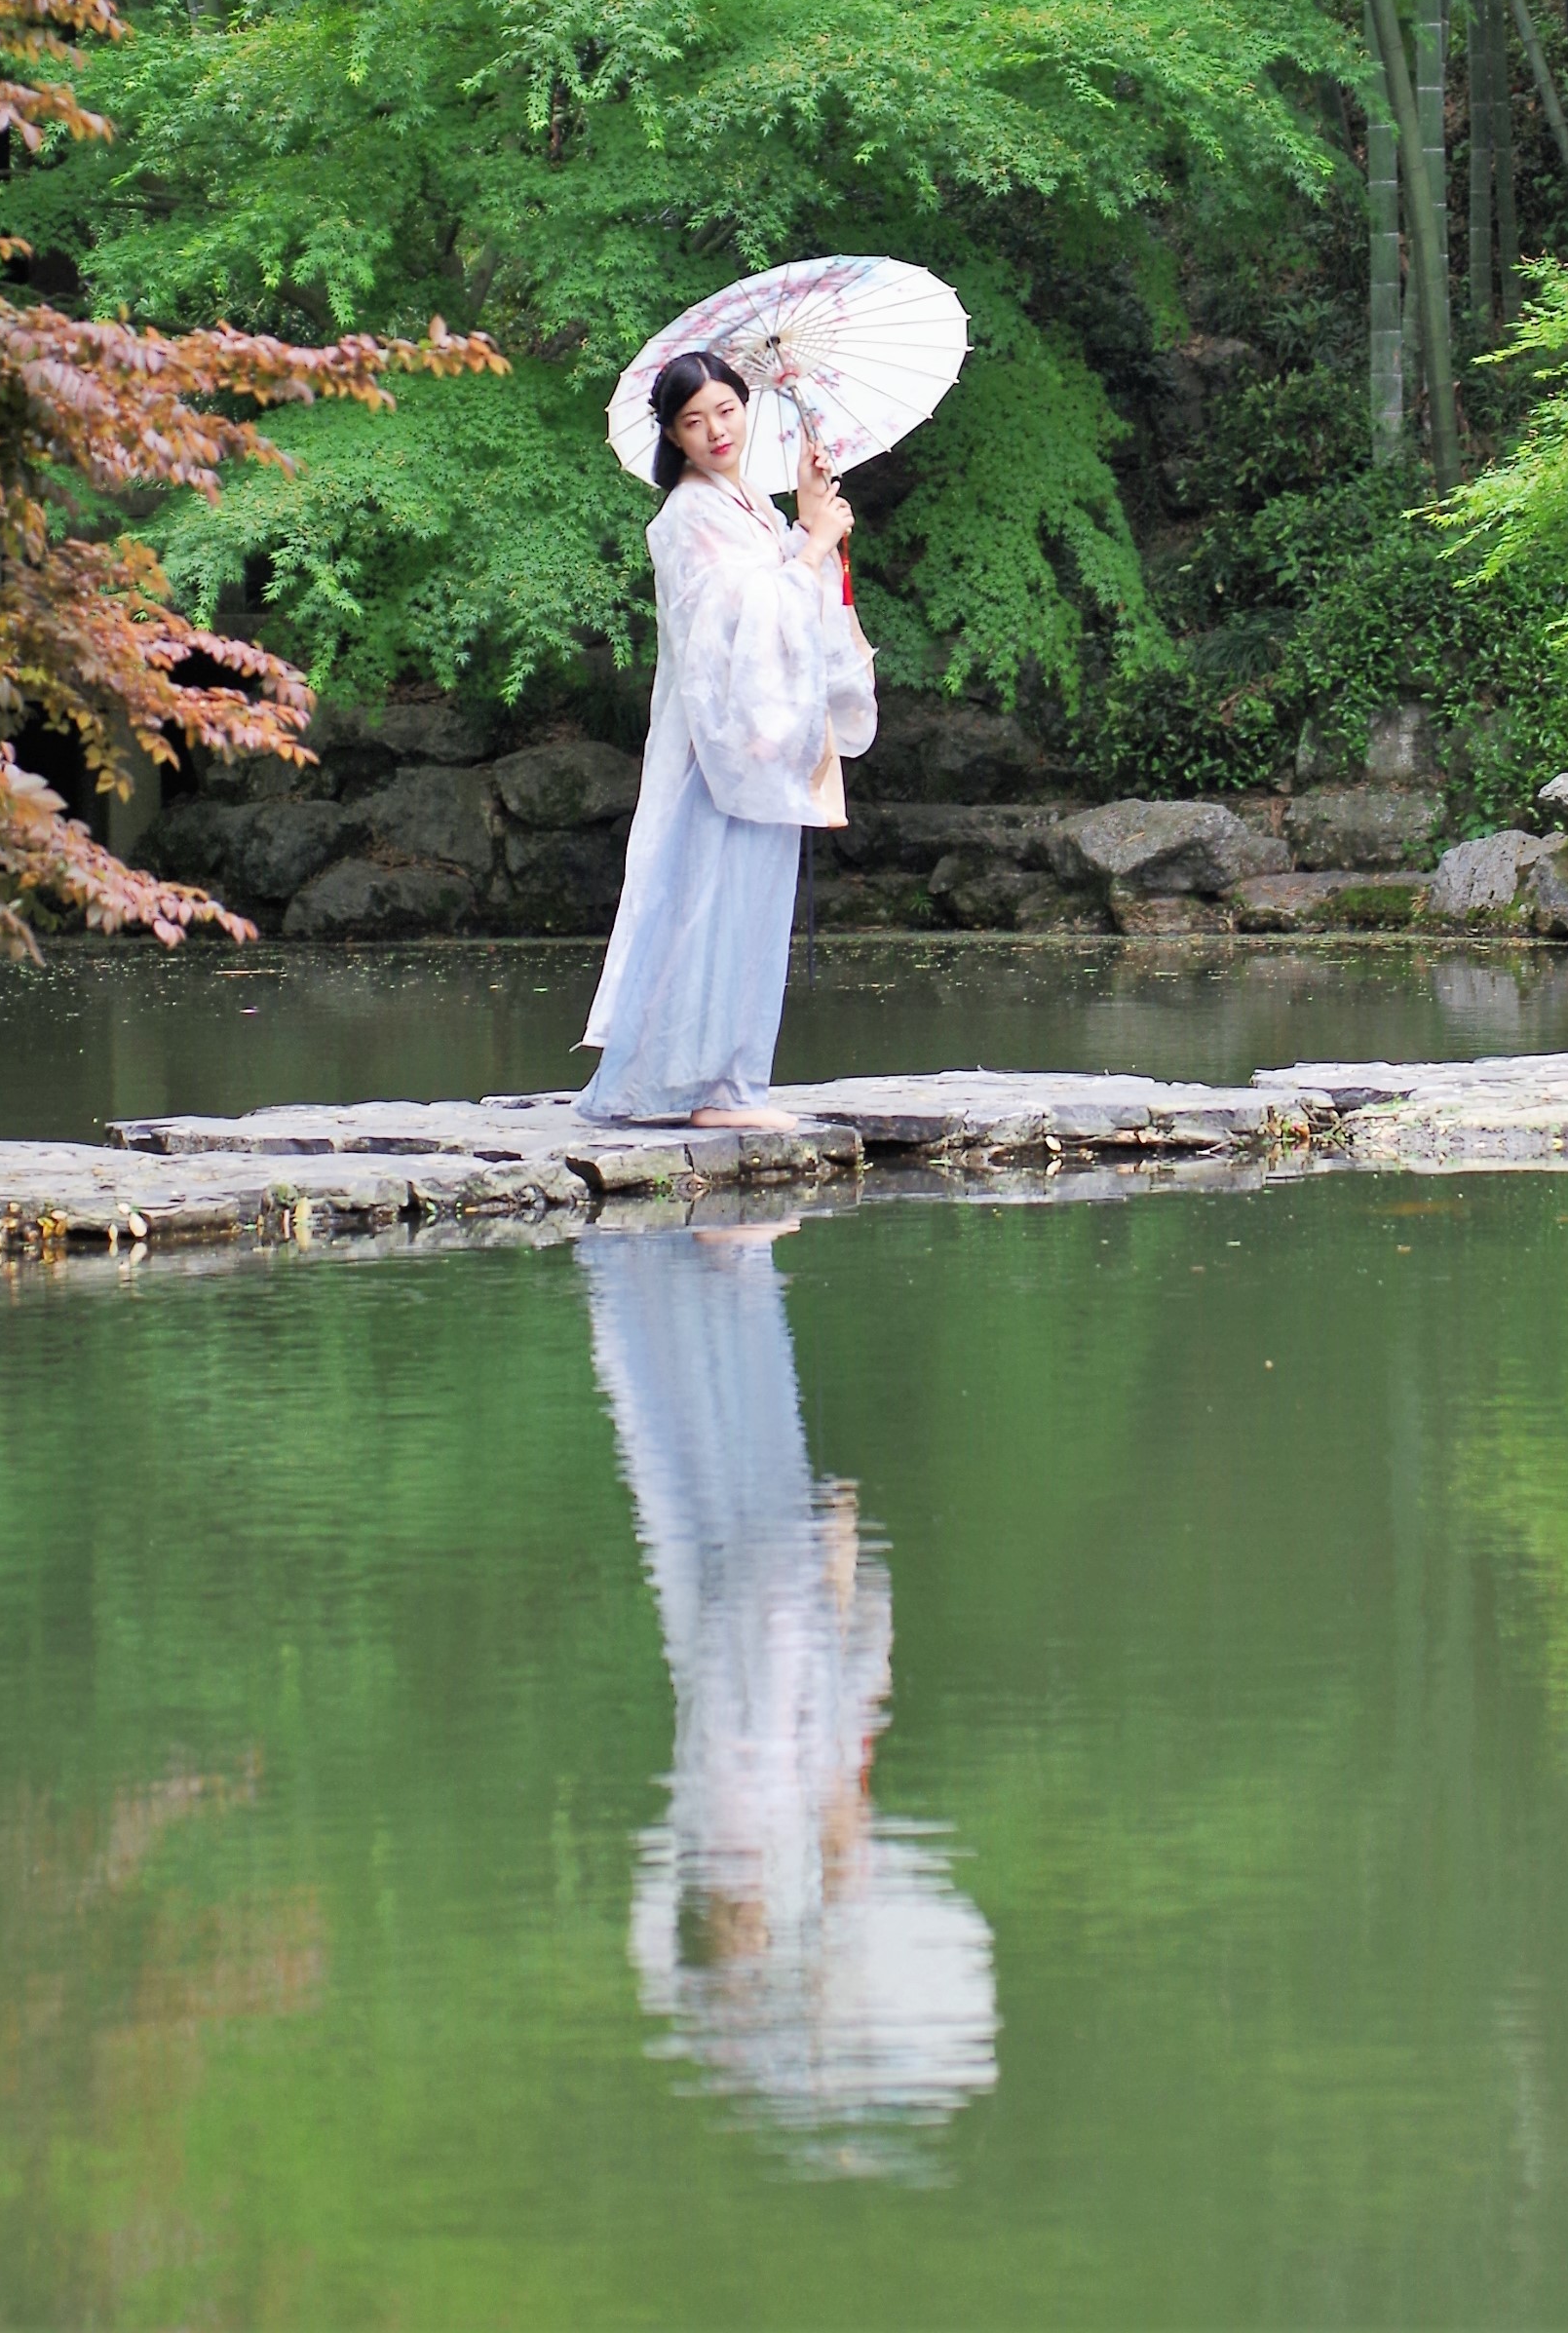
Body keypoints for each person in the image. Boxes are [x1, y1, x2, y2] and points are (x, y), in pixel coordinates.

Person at [579, 1223, 998, 2146]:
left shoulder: (731, 1827)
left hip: (776, 1621)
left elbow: (767, 1712)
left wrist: (825, 1579)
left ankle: (716, 1274)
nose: (759, 1929)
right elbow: (815, 1756)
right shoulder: (755, 1847)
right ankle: (722, 1275)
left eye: (742, 1932)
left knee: (739, 1452)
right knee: (744, 1442)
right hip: (785, 1635)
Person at [577, 351, 876, 1131]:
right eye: (692, 421)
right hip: (715, 743)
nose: (715, 430)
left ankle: (729, 1084)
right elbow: (728, 625)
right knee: (705, 904)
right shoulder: (685, 516)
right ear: (673, 435)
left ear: (748, 407)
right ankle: (684, 1087)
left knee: (749, 910)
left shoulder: (750, 504)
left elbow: (784, 593)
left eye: (726, 410)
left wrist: (809, 514)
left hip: (760, 740)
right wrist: (810, 547)